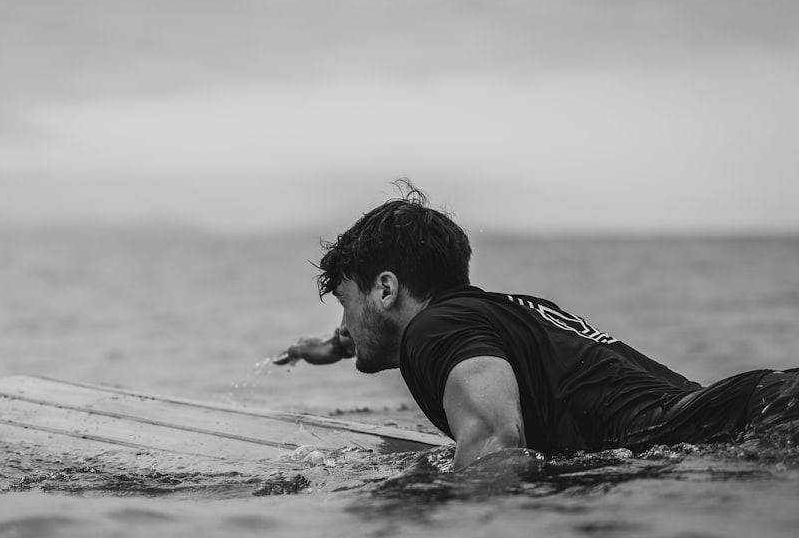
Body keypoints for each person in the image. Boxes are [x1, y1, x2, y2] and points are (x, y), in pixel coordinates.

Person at [274, 180, 799, 471]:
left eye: (344, 302)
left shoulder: (434, 332)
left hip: (743, 427)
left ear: (385, 289)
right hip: (752, 407)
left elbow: (498, 441)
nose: (342, 322)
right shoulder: (503, 311)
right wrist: (338, 345)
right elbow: (384, 332)